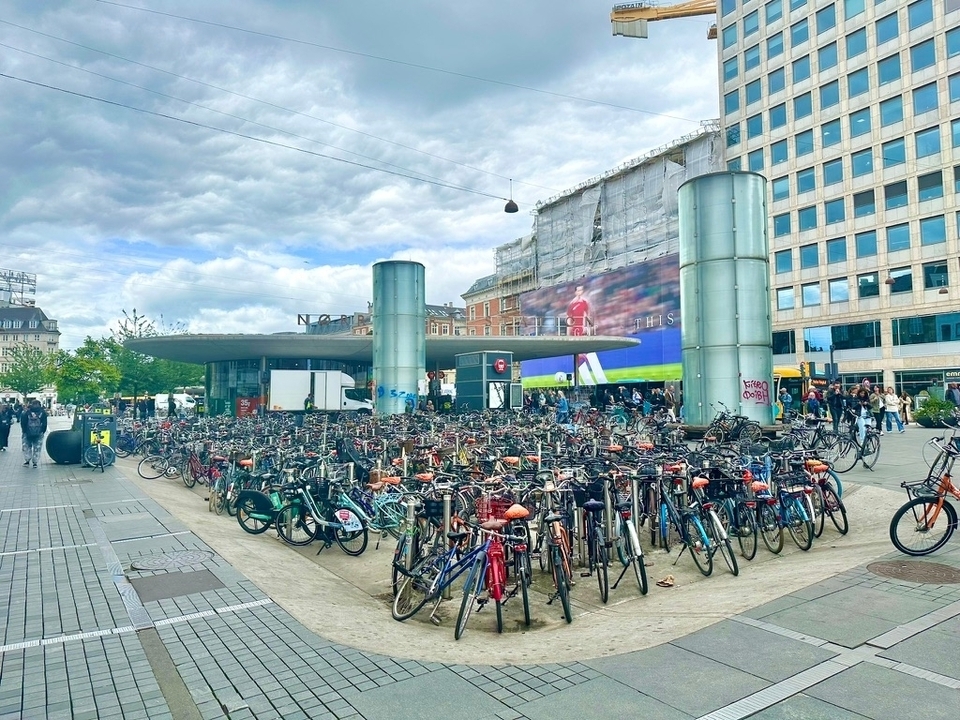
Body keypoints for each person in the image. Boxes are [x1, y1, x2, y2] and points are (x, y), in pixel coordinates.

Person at [20, 399, 48, 468]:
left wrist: (24, 431)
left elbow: (23, 422)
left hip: (27, 433)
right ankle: (35, 462)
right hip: (39, 433)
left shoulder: (26, 412)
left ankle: (27, 461)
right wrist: (42, 431)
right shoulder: (43, 413)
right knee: (37, 448)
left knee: (27, 447)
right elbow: (44, 424)